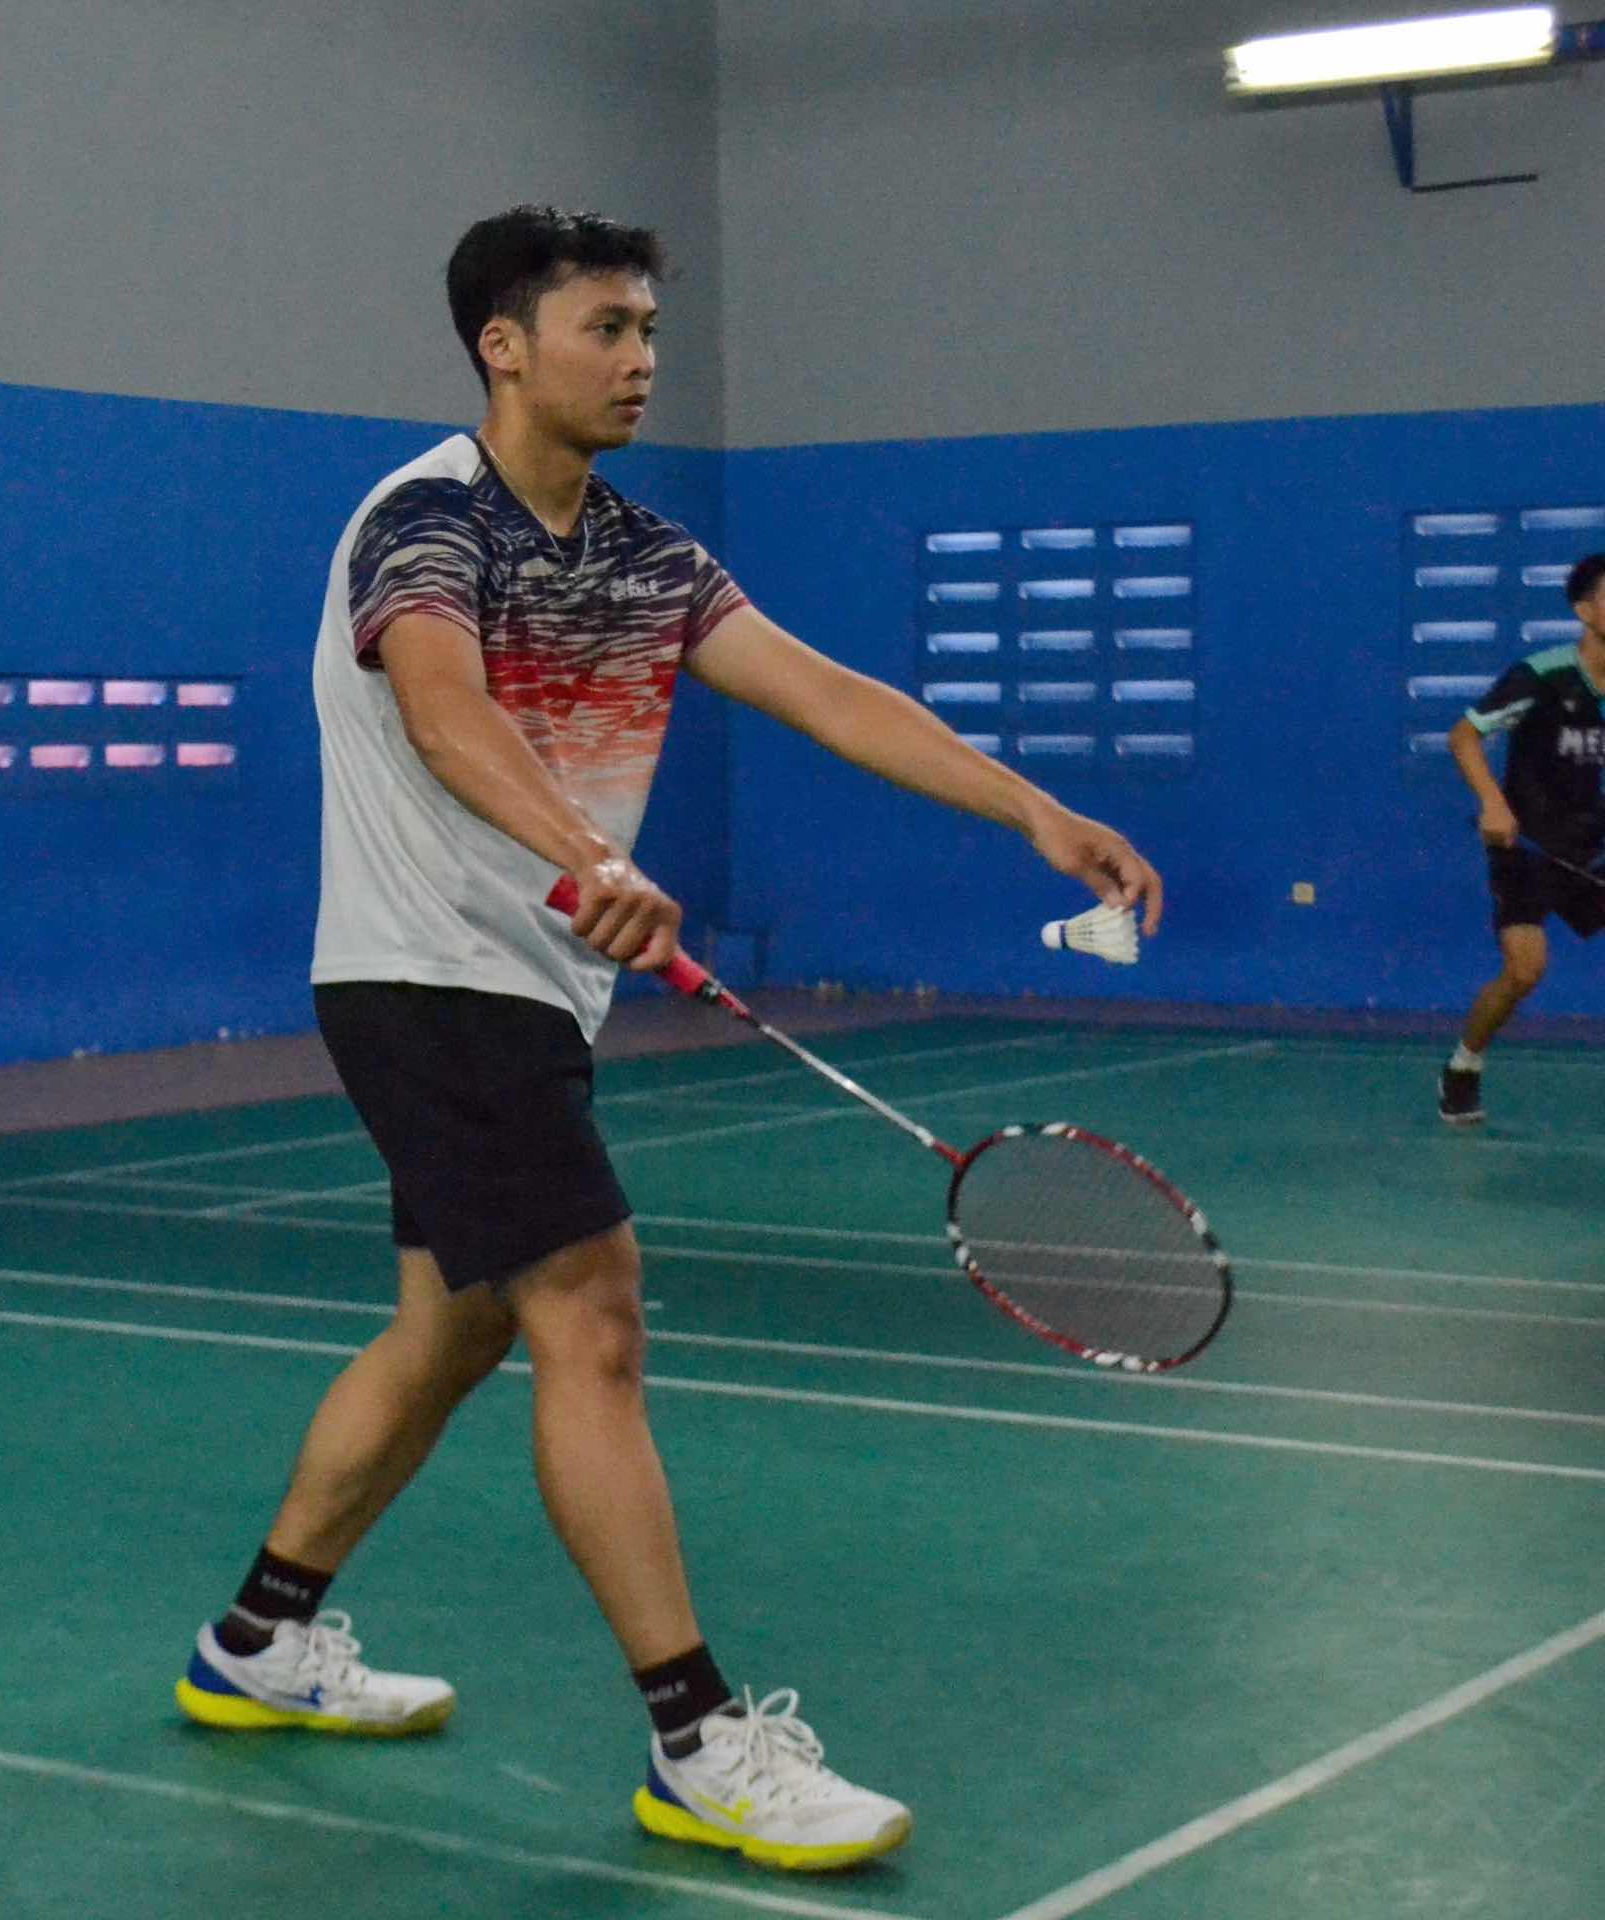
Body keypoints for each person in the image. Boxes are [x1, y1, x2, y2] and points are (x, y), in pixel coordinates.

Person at [176, 204, 1163, 1872]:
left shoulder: (644, 551)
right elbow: (442, 704)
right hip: (432, 977)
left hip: (523, 987)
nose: (641, 361)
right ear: (507, 344)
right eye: (608, 330)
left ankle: (261, 1639)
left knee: (451, 1334)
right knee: (594, 1312)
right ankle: (700, 1741)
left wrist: (1032, 809)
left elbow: (824, 688)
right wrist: (591, 856)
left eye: (649, 333)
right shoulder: (425, 522)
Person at [1439, 552, 1605, 1124]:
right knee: (1525, 972)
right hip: (1525, 844)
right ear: (1585, 610)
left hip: (1592, 844)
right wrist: (1492, 802)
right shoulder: (1541, 675)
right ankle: (1463, 1065)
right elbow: (1463, 737)